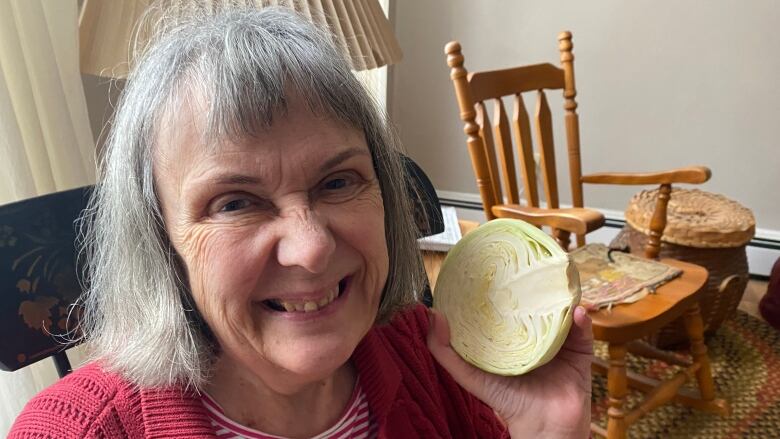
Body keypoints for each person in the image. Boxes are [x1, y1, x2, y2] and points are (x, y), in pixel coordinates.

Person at [10, 7, 592, 438]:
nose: (311, 249)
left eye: (338, 182)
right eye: (235, 202)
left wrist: (547, 432)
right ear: (161, 240)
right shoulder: (75, 431)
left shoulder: (434, 360)